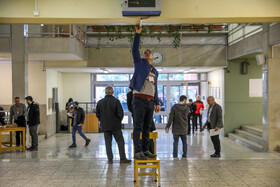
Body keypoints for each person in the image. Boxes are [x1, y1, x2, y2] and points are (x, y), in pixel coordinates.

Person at [130, 25, 160, 160]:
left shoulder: (155, 71)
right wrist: (137, 34)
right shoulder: (139, 63)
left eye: (149, 53)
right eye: (145, 52)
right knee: (138, 127)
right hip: (139, 99)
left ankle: (146, 150)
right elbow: (134, 49)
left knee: (148, 127)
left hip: (149, 101)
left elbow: (156, 87)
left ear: (153, 58)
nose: (147, 53)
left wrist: (157, 102)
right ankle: (138, 151)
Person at [96, 86, 131, 164]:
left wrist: (102, 121)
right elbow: (120, 114)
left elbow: (97, 114)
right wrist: (118, 121)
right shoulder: (116, 101)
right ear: (112, 92)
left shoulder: (100, 102)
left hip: (105, 126)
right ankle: (122, 158)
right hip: (115, 126)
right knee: (120, 141)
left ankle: (110, 159)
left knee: (108, 143)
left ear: (105, 92)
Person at [127, 90, 156, 154]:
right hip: (138, 117)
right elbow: (130, 107)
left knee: (149, 137)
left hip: (147, 119)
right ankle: (140, 152)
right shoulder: (130, 94)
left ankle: (149, 152)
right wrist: (138, 112)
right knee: (139, 136)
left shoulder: (147, 92)